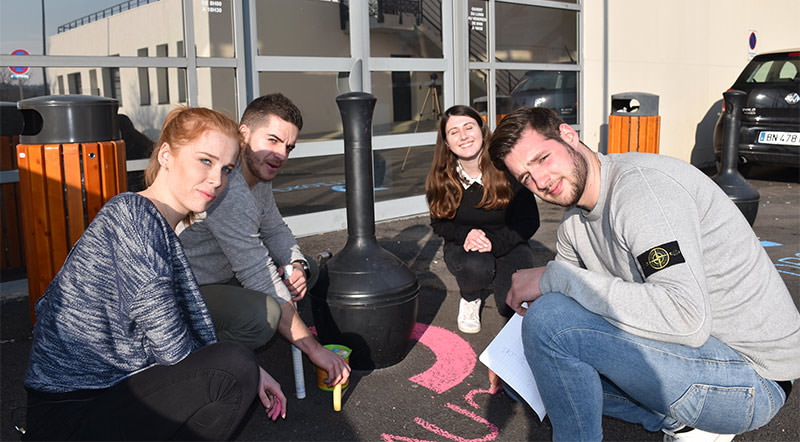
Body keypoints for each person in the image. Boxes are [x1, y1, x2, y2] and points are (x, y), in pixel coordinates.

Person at [488, 106, 800, 441]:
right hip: (689, 358)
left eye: (542, 159)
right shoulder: (573, 225)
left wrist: (555, 277)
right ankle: (681, 420)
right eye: (525, 177)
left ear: (568, 135)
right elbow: (565, 313)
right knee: (529, 375)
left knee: (549, 322)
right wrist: (511, 354)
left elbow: (686, 319)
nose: (540, 181)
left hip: (751, 379)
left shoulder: (641, 192)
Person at [23, 107, 287, 441]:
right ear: (166, 155)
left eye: (227, 169)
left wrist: (254, 371)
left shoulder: (158, 226)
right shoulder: (132, 217)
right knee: (233, 365)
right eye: (205, 161)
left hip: (109, 393)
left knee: (236, 366)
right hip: (72, 411)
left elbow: (175, 334)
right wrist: (246, 370)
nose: (217, 179)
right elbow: (170, 343)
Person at [179, 93, 350, 388]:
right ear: (243, 135)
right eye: (272, 140)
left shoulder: (258, 178)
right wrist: (314, 349)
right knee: (263, 317)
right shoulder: (230, 191)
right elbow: (257, 274)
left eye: (288, 147)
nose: (281, 154)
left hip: (227, 273)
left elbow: (274, 229)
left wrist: (295, 264)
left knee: (308, 267)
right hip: (191, 289)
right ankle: (199, 358)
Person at [425, 105, 540, 334]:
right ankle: (470, 297)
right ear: (447, 142)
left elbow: (529, 221)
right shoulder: (441, 178)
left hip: (508, 241)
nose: (464, 136)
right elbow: (439, 223)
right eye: (454, 132)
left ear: (482, 130)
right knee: (477, 267)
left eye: (469, 127)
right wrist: (465, 234)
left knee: (511, 308)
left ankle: (498, 278)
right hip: (466, 248)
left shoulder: (507, 168)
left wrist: (495, 242)